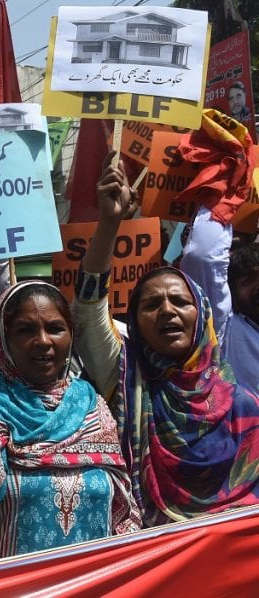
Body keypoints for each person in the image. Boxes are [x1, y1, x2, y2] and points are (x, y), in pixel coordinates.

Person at [73, 153, 259, 526]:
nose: (168, 311)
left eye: (180, 301)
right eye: (152, 304)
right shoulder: (127, 381)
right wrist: (110, 223)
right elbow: (89, 309)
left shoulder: (245, 407)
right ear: (137, 323)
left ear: (202, 315)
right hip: (157, 562)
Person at [0, 281, 139, 557]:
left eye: (55, 328)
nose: (43, 341)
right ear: (3, 339)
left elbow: (122, 507)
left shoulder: (89, 404)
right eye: (25, 330)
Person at [181, 204, 259, 389]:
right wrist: (222, 198)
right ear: (233, 298)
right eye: (247, 281)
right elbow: (202, 258)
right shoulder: (228, 331)